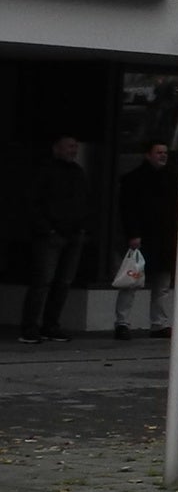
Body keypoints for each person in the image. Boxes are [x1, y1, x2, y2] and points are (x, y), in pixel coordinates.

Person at [19, 135, 92, 343]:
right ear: (56, 149)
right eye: (69, 147)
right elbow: (32, 203)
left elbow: (85, 201)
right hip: (50, 234)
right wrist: (47, 230)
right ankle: (30, 326)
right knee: (43, 281)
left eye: (75, 147)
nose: (74, 151)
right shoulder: (45, 171)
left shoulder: (78, 173)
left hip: (73, 234)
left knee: (63, 282)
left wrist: (83, 229)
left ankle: (51, 325)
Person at [113, 140, 178, 337]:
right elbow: (128, 209)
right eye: (159, 152)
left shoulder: (173, 179)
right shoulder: (134, 179)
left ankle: (159, 323)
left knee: (162, 285)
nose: (163, 156)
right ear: (148, 155)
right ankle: (122, 322)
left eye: (165, 152)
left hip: (165, 238)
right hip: (143, 238)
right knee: (131, 282)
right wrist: (133, 234)